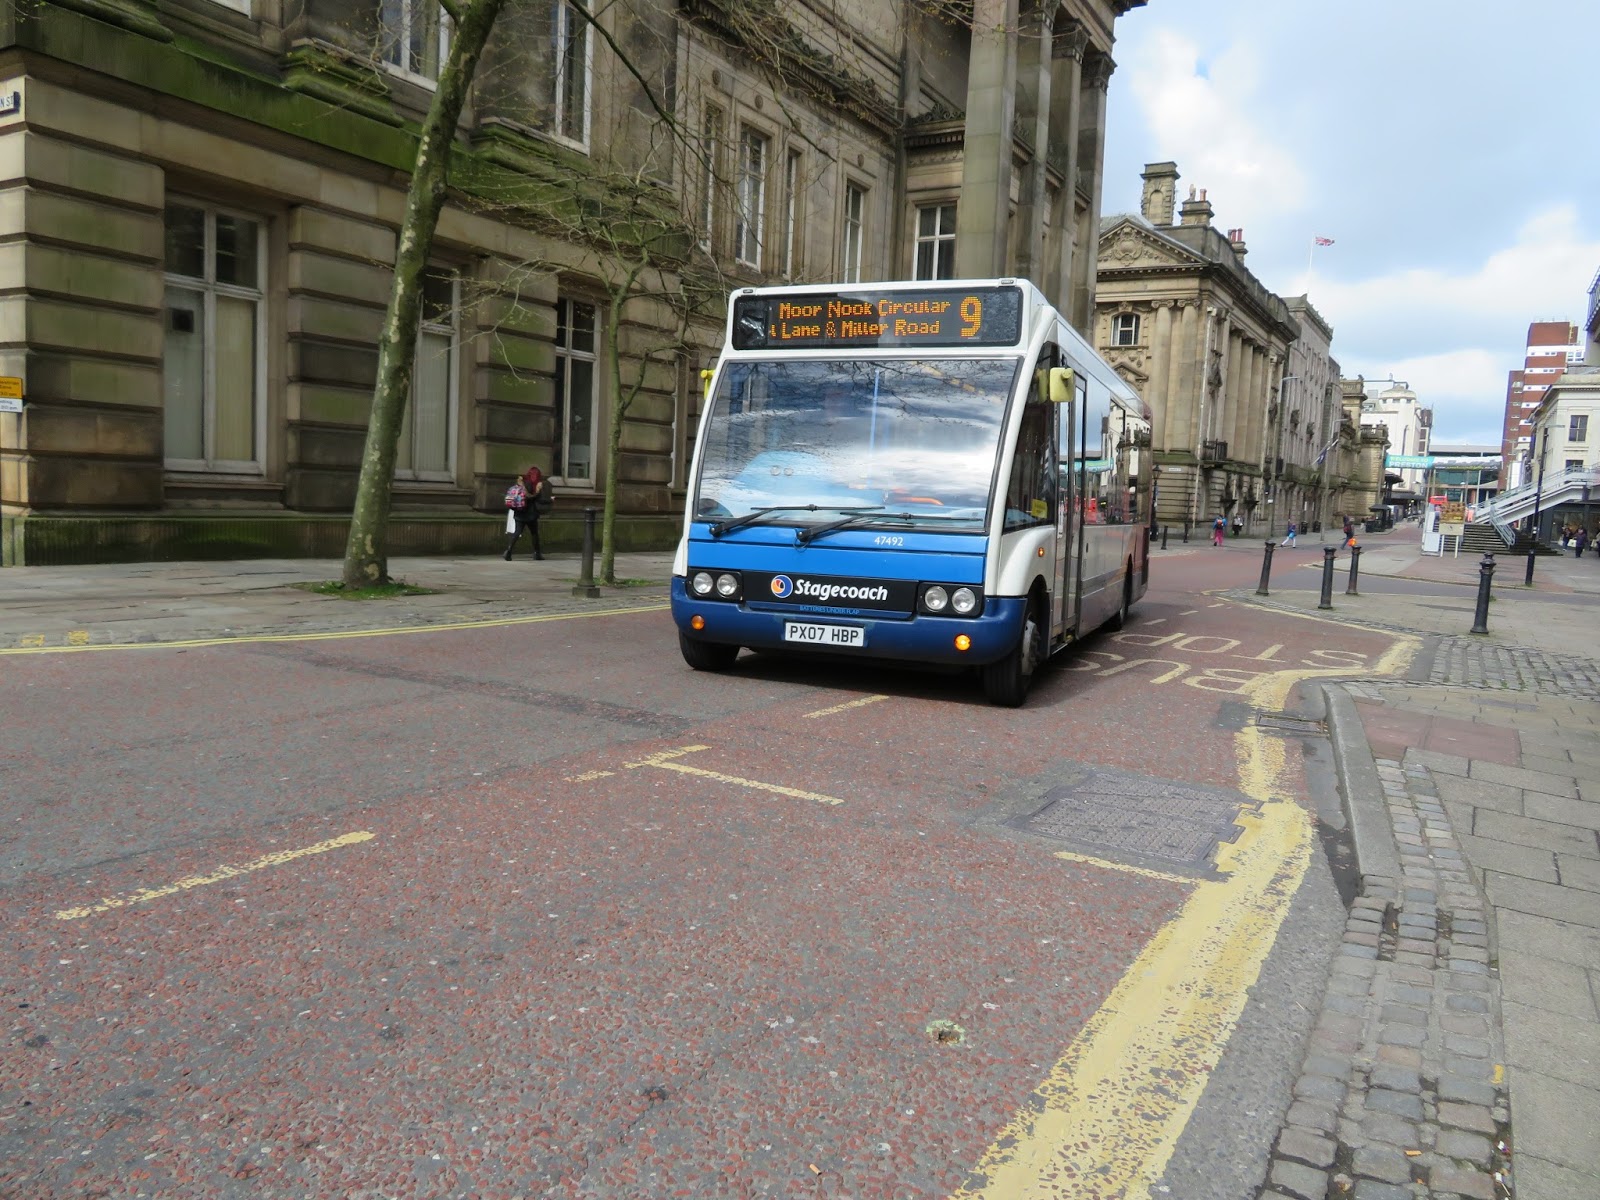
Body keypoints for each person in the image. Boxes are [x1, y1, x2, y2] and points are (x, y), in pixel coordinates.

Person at [502, 465, 549, 560]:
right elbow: (538, 500)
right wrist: (550, 500)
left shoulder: (522, 484)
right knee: (534, 533)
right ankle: (537, 553)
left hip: (519, 512)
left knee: (517, 532)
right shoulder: (536, 485)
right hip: (531, 514)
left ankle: (508, 551)